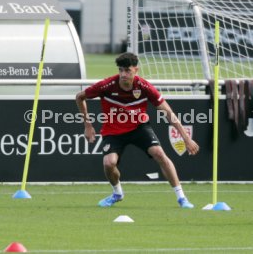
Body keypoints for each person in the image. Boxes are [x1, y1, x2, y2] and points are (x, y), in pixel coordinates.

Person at [76, 52, 199, 208]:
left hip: (139, 128)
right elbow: (79, 97)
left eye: (127, 70)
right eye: (121, 70)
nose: (123, 74)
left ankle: (182, 198)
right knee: (109, 163)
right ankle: (117, 193)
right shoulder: (106, 85)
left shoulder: (144, 87)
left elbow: (168, 113)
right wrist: (87, 125)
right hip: (113, 131)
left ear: (136, 70)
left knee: (159, 153)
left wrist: (186, 139)